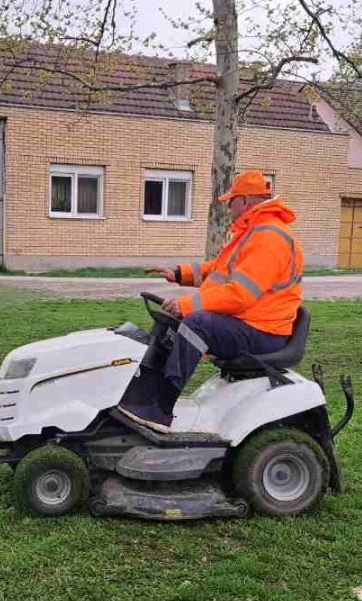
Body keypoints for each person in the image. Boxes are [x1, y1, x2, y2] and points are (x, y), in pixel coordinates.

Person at [118, 170, 304, 431]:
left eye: (231, 201)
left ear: (245, 201)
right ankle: (142, 396)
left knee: (197, 325)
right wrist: (179, 274)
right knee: (171, 324)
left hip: (263, 331)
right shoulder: (255, 232)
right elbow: (219, 270)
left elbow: (239, 294)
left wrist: (185, 305)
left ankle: (159, 410)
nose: (228, 208)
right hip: (251, 323)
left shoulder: (270, 238)